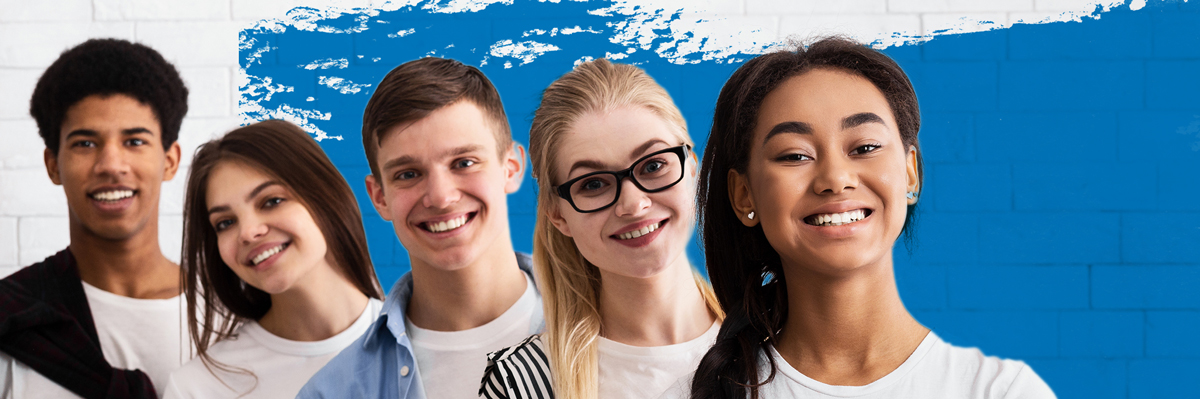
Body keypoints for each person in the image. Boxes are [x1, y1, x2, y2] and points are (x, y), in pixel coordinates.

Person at [671, 37, 1056, 398]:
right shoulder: (697, 392)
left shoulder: (999, 391)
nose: (835, 179)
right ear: (744, 195)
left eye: (865, 147)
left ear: (910, 173)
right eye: (794, 155)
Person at [479, 59, 724, 399]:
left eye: (654, 165)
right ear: (557, 215)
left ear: (692, 167)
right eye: (593, 184)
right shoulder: (521, 383)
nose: (633, 204)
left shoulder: (781, 341)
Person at [297, 57, 539, 399]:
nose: (441, 197)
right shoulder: (332, 392)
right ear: (379, 197)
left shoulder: (607, 324)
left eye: (464, 163)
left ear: (511, 167)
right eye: (408, 174)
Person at [0, 38, 189, 399]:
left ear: (170, 161)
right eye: (85, 143)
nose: (111, 166)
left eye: (135, 141)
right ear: (53, 164)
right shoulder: (14, 321)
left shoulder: (231, 313)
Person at [160, 120, 385, 398]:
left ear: (326, 198)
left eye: (271, 201)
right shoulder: (199, 387)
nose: (248, 232)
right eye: (225, 222)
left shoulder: (420, 339)